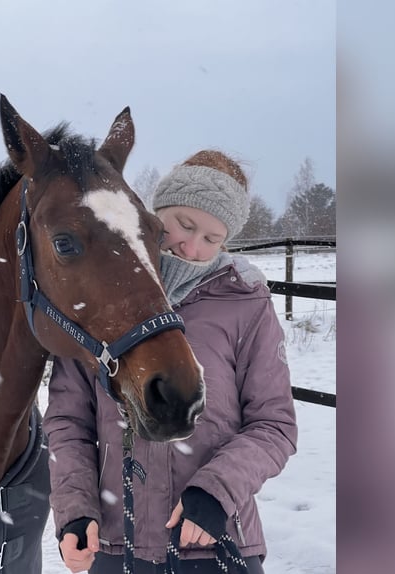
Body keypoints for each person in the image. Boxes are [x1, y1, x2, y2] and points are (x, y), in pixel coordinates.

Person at [44, 150, 297, 574]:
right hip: (114, 543)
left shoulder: (246, 304)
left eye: (212, 238)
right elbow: (68, 420)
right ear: (156, 213)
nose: (192, 246)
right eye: (184, 224)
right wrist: (75, 509)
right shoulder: (102, 296)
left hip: (216, 540)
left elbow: (274, 425)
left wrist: (216, 491)